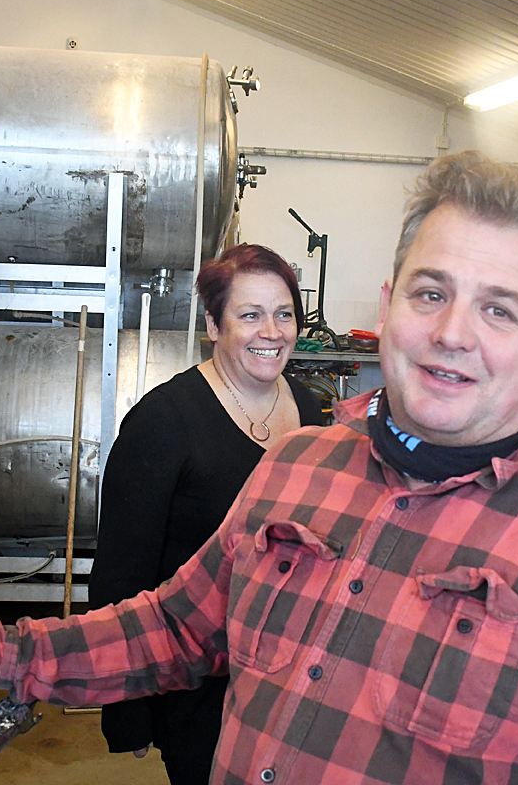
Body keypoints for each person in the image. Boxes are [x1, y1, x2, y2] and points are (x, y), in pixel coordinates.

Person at [0, 151, 518, 785]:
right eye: (431, 293)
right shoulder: (298, 464)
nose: (452, 333)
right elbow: (176, 627)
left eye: (500, 310)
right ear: (389, 306)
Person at [88, 243, 322, 784]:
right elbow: (122, 574)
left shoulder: (310, 411)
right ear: (214, 326)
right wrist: (127, 708)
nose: (272, 332)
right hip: (196, 682)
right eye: (250, 315)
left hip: (287, 678)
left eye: (284, 314)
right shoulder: (163, 422)